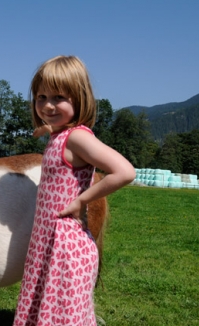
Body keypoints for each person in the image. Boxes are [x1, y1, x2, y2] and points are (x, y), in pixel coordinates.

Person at [13, 55, 136, 326]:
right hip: (49, 241)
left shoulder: (77, 137)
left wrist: (82, 200)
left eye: (58, 97)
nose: (47, 104)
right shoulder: (61, 135)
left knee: (61, 318)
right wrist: (46, 129)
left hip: (66, 247)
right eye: (41, 96)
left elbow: (125, 172)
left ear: (79, 99)